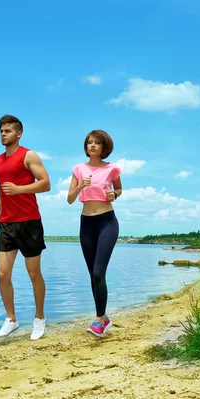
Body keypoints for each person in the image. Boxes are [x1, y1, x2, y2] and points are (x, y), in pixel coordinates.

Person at [0, 114, 51, 340]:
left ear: (19, 133)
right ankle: (11, 320)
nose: (3, 134)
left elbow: (46, 183)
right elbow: (2, 187)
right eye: (1, 131)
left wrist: (19, 190)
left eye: (7, 131)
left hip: (29, 222)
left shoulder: (28, 155)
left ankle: (39, 318)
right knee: (2, 274)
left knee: (33, 272)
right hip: (7, 223)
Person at [67, 129, 122, 337]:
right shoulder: (78, 169)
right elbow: (70, 198)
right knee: (93, 275)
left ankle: (99, 321)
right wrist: (81, 184)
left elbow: (119, 190)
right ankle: (103, 317)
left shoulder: (112, 169)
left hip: (107, 223)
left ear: (104, 147)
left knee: (99, 272)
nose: (92, 145)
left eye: (97, 143)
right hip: (86, 224)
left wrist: (113, 194)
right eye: (89, 142)